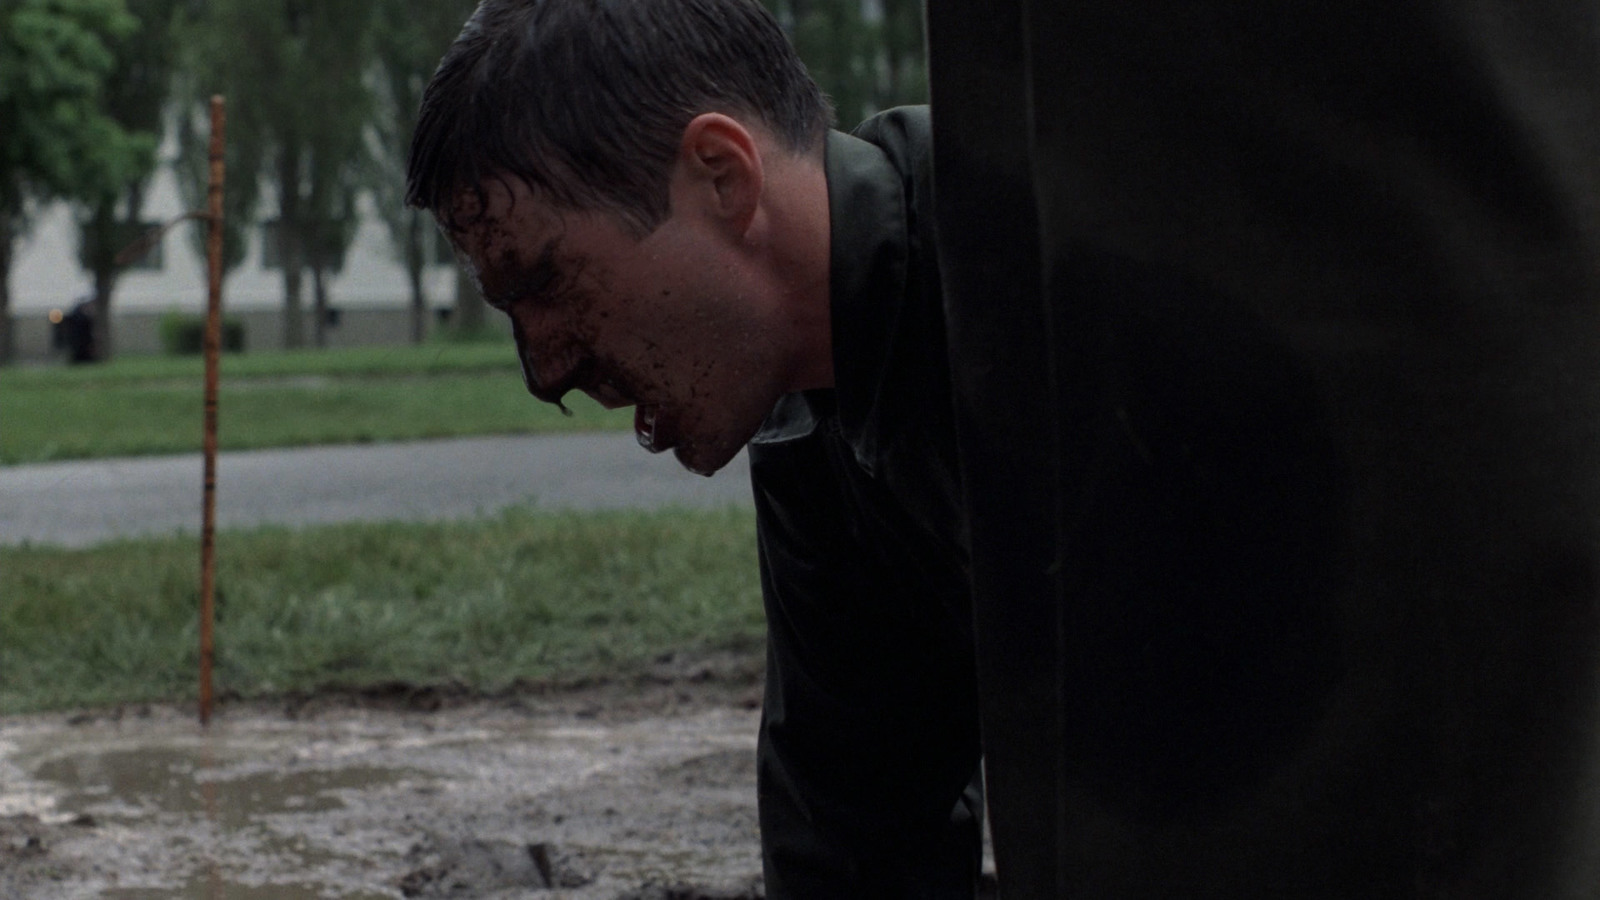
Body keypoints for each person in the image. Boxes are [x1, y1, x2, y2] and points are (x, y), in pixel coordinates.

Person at [407, 1, 982, 897]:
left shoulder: (1039, 277)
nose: (546, 371)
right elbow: (855, 837)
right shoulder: (806, 414)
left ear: (720, 175)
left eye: (546, 281)